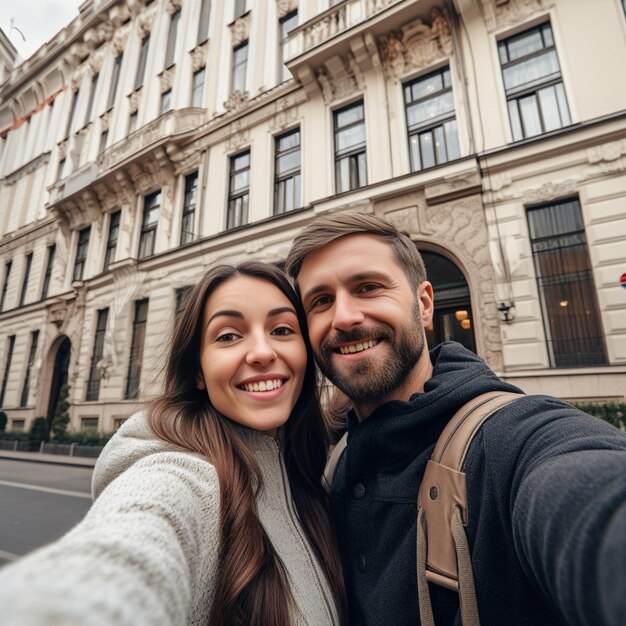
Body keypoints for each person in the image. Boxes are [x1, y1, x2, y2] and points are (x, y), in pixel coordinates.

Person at [285, 212, 626, 626]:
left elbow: (587, 490)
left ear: (424, 304)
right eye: (321, 301)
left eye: (368, 287)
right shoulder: (331, 459)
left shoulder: (508, 439)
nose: (343, 318)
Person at [0, 261, 346, 626]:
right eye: (228, 336)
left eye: (281, 329)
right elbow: (135, 542)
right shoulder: (182, 475)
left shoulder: (314, 473)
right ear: (197, 371)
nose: (261, 352)